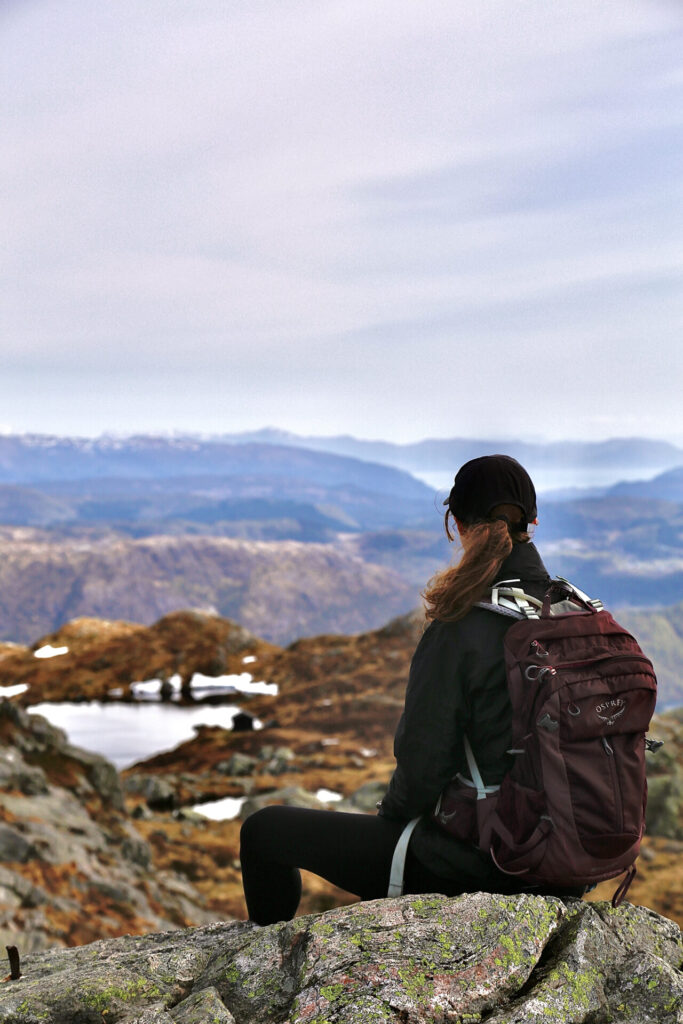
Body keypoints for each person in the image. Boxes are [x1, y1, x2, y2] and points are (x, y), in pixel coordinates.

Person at [240, 454, 583, 925]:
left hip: (488, 862)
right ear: (533, 523)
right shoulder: (576, 612)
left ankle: (263, 968)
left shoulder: (462, 625)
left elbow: (423, 766)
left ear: (456, 524)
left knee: (263, 832)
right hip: (572, 860)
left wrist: (393, 816)